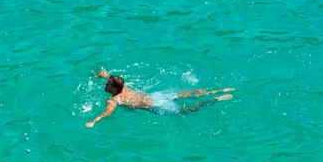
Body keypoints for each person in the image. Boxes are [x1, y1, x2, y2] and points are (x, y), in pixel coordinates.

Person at [87, 70, 232, 127]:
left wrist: (93, 121)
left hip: (156, 106)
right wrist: (105, 74)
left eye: (107, 83)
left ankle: (214, 100)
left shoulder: (113, 100)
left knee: (185, 111)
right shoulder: (124, 87)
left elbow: (107, 113)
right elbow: (116, 79)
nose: (105, 85)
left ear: (113, 89)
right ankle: (217, 91)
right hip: (157, 97)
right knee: (183, 94)